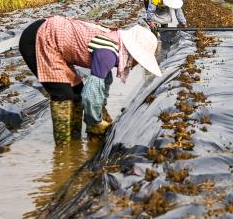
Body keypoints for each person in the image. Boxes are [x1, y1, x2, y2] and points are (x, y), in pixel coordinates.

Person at [19, 16, 162, 145]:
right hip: (39, 38)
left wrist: (101, 111)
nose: (137, 65)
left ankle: (74, 142)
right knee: (64, 95)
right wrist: (96, 122)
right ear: (133, 54)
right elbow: (91, 95)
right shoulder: (108, 52)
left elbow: (103, 84)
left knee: (77, 92)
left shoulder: (115, 44)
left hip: (55, 42)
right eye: (139, 61)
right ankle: (63, 150)